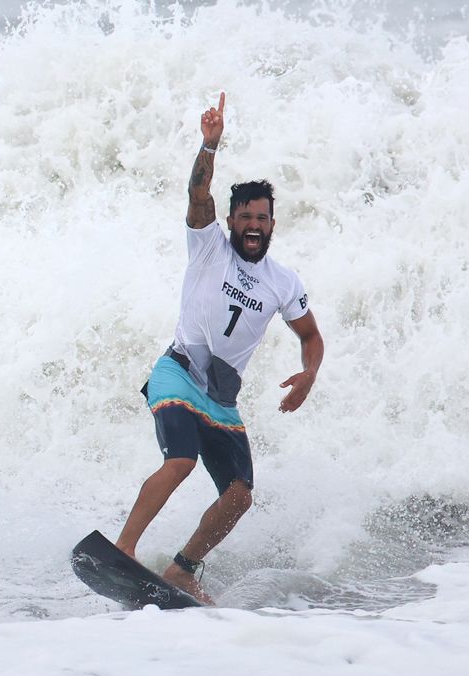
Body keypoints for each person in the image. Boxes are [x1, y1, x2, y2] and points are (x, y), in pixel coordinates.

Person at [114, 92, 324, 605]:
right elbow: (198, 195)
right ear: (231, 221)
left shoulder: (282, 281)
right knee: (181, 460)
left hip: (221, 399)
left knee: (239, 496)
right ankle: (124, 547)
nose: (254, 225)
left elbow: (310, 335)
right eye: (246, 217)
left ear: (273, 224)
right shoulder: (208, 244)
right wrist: (210, 147)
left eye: (263, 218)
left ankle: (184, 569)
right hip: (179, 372)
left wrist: (309, 374)